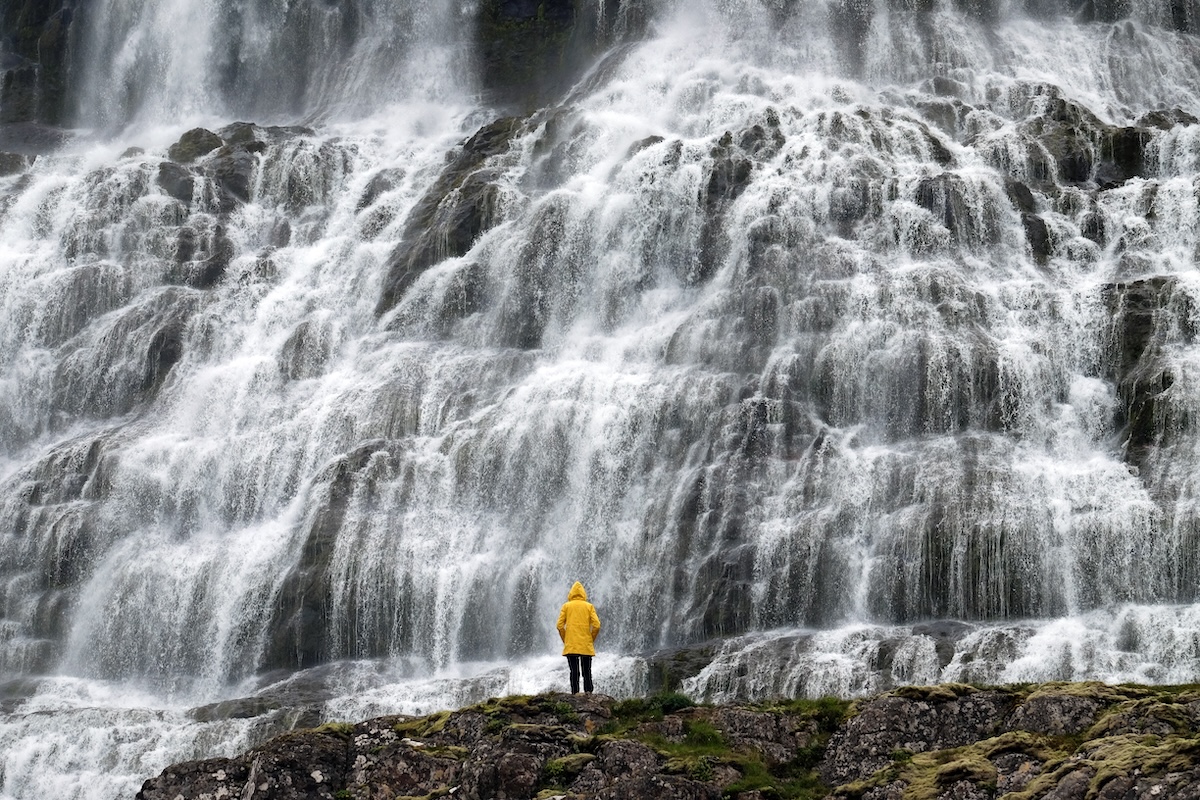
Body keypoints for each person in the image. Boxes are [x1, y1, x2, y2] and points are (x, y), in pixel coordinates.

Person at [556, 581, 601, 694]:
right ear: (583, 593)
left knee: (574, 671)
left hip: (571, 644)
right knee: (587, 670)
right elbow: (597, 625)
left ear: (571, 593)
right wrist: (591, 639)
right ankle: (588, 693)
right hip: (585, 644)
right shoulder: (589, 606)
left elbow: (559, 626)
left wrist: (566, 639)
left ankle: (575, 693)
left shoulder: (566, 606)